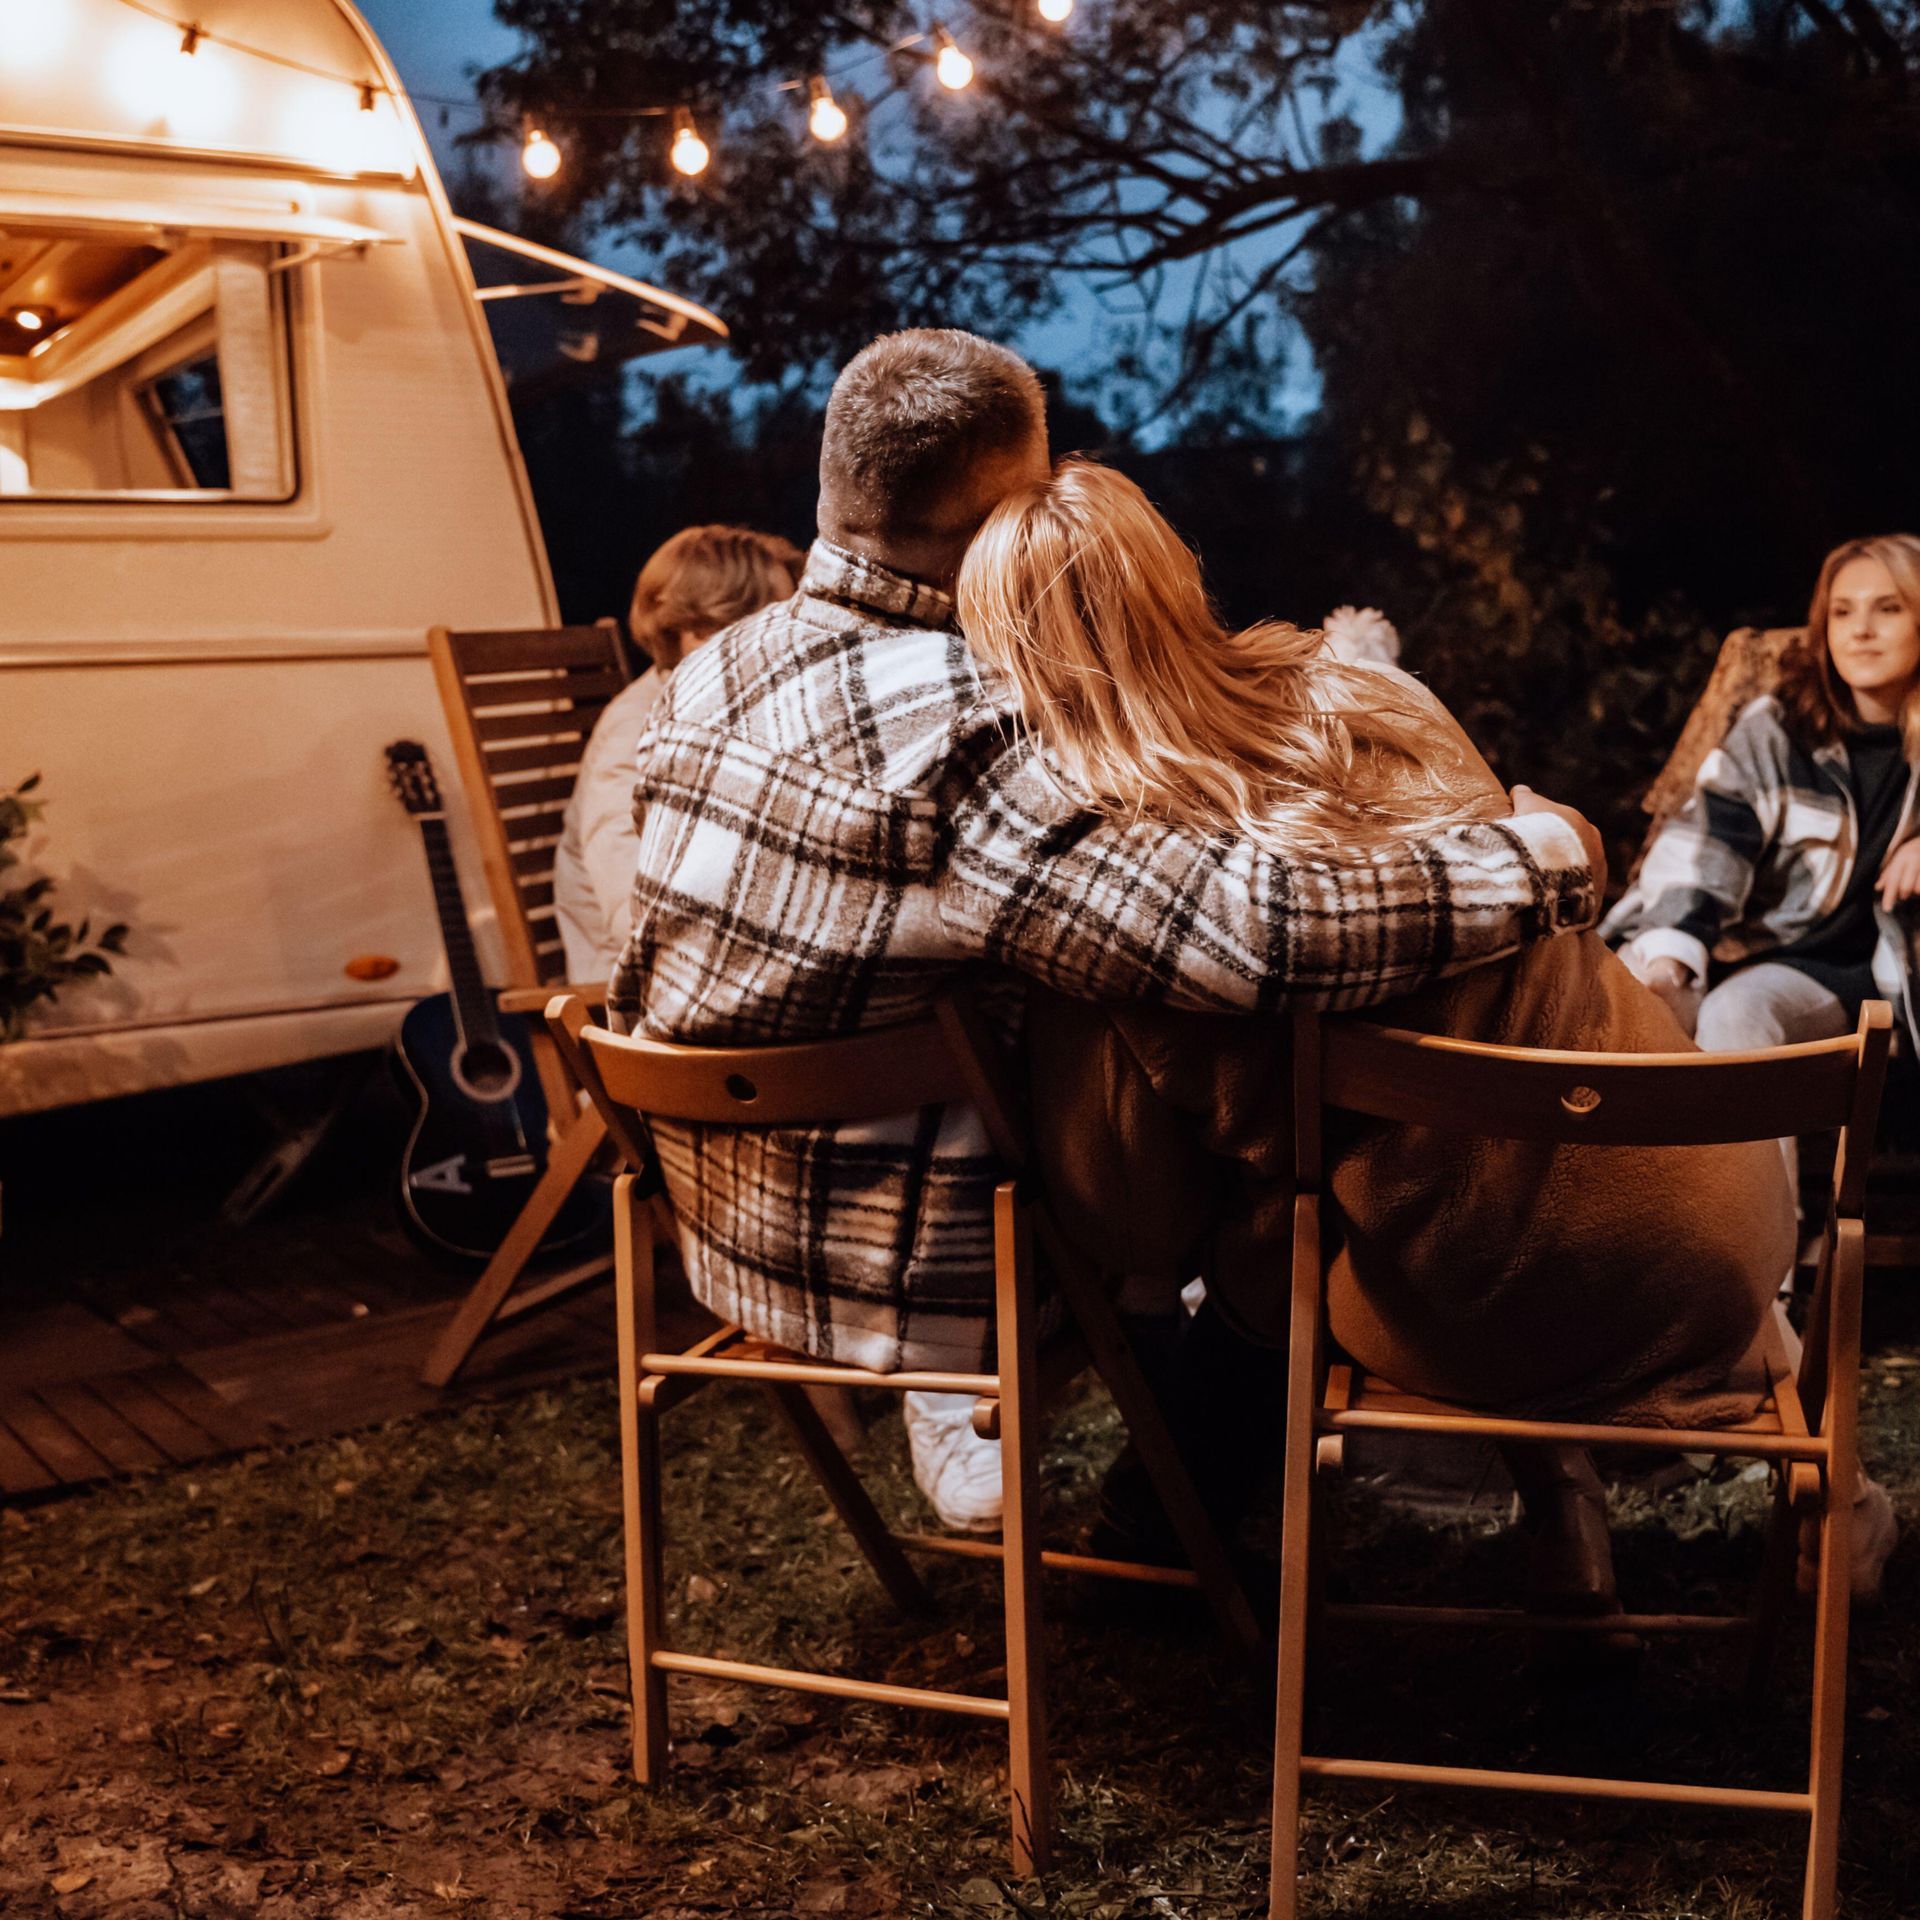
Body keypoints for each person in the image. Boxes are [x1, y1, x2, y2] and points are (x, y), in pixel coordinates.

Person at [610, 329, 1605, 1542]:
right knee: (1283, 1180)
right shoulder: (973, 725)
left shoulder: (706, 676)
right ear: (1008, 519)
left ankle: (1178, 1501)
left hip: (718, 1223)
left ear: (838, 487)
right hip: (902, 1257)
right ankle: (1181, 1532)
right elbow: (1252, 935)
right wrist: (1534, 861)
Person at [951, 457, 1805, 1607]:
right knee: (1434, 1158)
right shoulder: (1377, 699)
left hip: (1507, 1309)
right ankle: (1567, 1521)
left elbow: (1136, 1225)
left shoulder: (1124, 892)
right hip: (1717, 1218)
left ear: (1005, 655)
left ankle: (1158, 1532)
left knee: (1283, 1235)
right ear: (1175, 574)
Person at [554, 525, 803, 984]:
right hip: (652, 986)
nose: (787, 644)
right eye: (772, 624)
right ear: (697, 631)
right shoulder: (634, 729)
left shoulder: (725, 706)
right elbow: (629, 906)